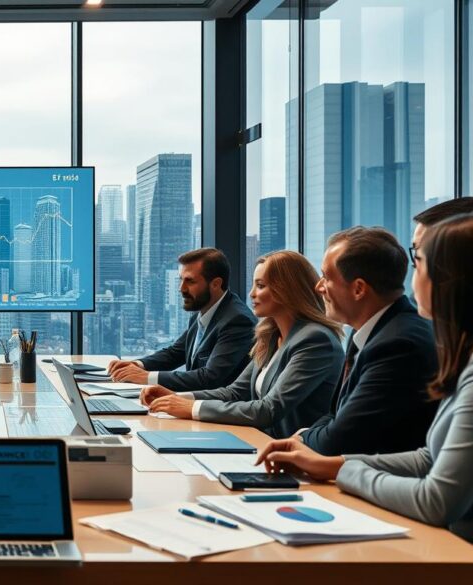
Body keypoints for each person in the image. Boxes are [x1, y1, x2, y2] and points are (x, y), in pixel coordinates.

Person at [258, 214, 473, 543]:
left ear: (449, 280)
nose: (412, 279)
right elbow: (429, 456)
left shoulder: (403, 341)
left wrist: (341, 468)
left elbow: (436, 500)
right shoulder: (452, 353)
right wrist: (331, 465)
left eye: (419, 262)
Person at [140, 250, 344, 439]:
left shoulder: (315, 340)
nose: (252, 294)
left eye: (261, 286)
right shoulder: (271, 335)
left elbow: (268, 409)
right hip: (259, 443)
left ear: (288, 290)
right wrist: (176, 397)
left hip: (292, 456)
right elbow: (235, 392)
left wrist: (190, 408)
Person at [299, 227, 437, 455]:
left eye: (326, 277)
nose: (318, 287)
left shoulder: (399, 344)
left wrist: (303, 437)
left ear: (359, 289)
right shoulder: (366, 331)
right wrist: (311, 435)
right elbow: (334, 415)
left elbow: (336, 442)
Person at [108, 248, 256, 391]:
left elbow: (210, 378)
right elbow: (176, 353)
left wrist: (147, 377)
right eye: (181, 280)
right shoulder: (204, 312)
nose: (181, 288)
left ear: (216, 284)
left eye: (190, 281)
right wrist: (136, 365)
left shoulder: (237, 321)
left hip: (217, 412)